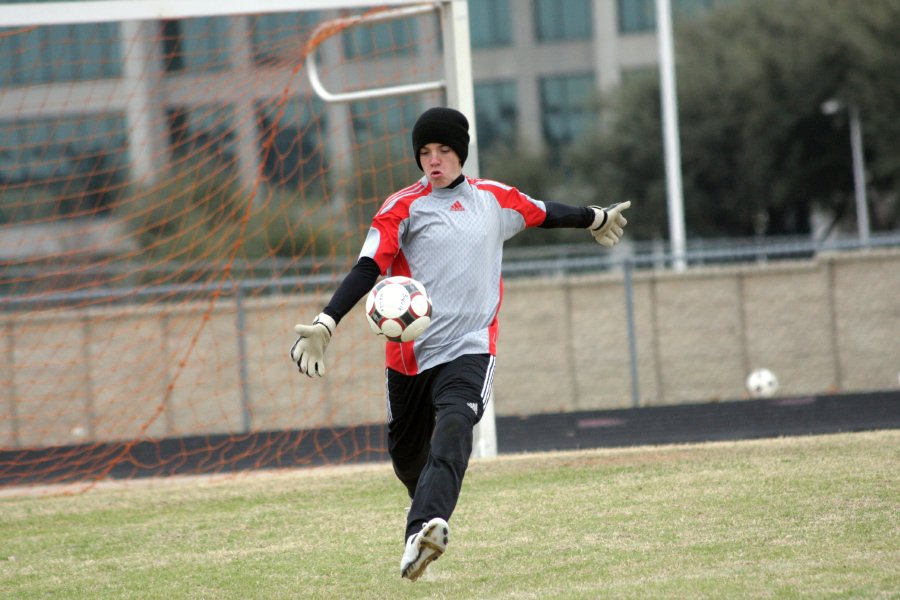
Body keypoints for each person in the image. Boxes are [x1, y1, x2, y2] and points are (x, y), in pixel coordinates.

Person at [290, 106, 630, 581]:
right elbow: (368, 267)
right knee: (409, 461)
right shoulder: (401, 207)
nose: (433, 160)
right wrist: (327, 321)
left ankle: (422, 533)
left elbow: (546, 212)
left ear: (461, 153)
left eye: (444, 150)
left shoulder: (494, 200)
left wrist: (595, 217)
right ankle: (425, 506)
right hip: (409, 360)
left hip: (470, 349)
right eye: (425, 152)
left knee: (455, 426)